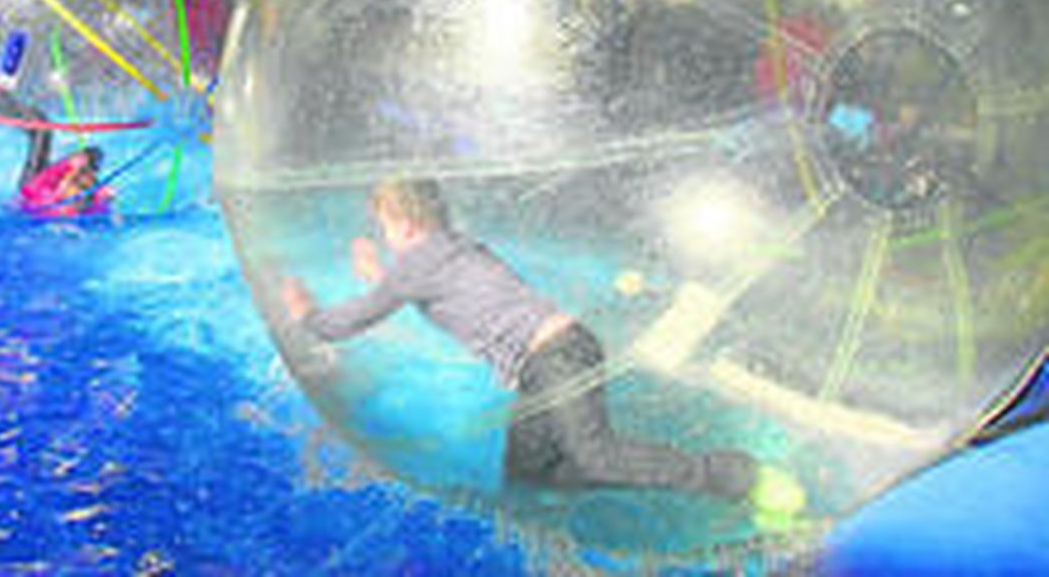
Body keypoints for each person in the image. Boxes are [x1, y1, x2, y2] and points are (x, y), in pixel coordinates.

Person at [280, 178, 805, 523]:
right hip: (553, 359)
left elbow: (348, 322)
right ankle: (585, 524)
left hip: (555, 357)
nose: (385, 234)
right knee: (528, 481)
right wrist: (384, 276)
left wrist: (305, 313)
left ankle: (742, 477)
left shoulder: (417, 263)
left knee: (594, 453)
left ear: (407, 225)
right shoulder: (453, 246)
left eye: (386, 226)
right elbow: (434, 288)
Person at [0, 83, 111, 218]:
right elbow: (98, 197)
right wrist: (105, 197)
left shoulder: (47, 199)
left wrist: (69, 164)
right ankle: (1, 98)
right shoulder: (91, 202)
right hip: (52, 184)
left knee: (41, 126)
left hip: (33, 181)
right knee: (93, 155)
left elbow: (48, 177)